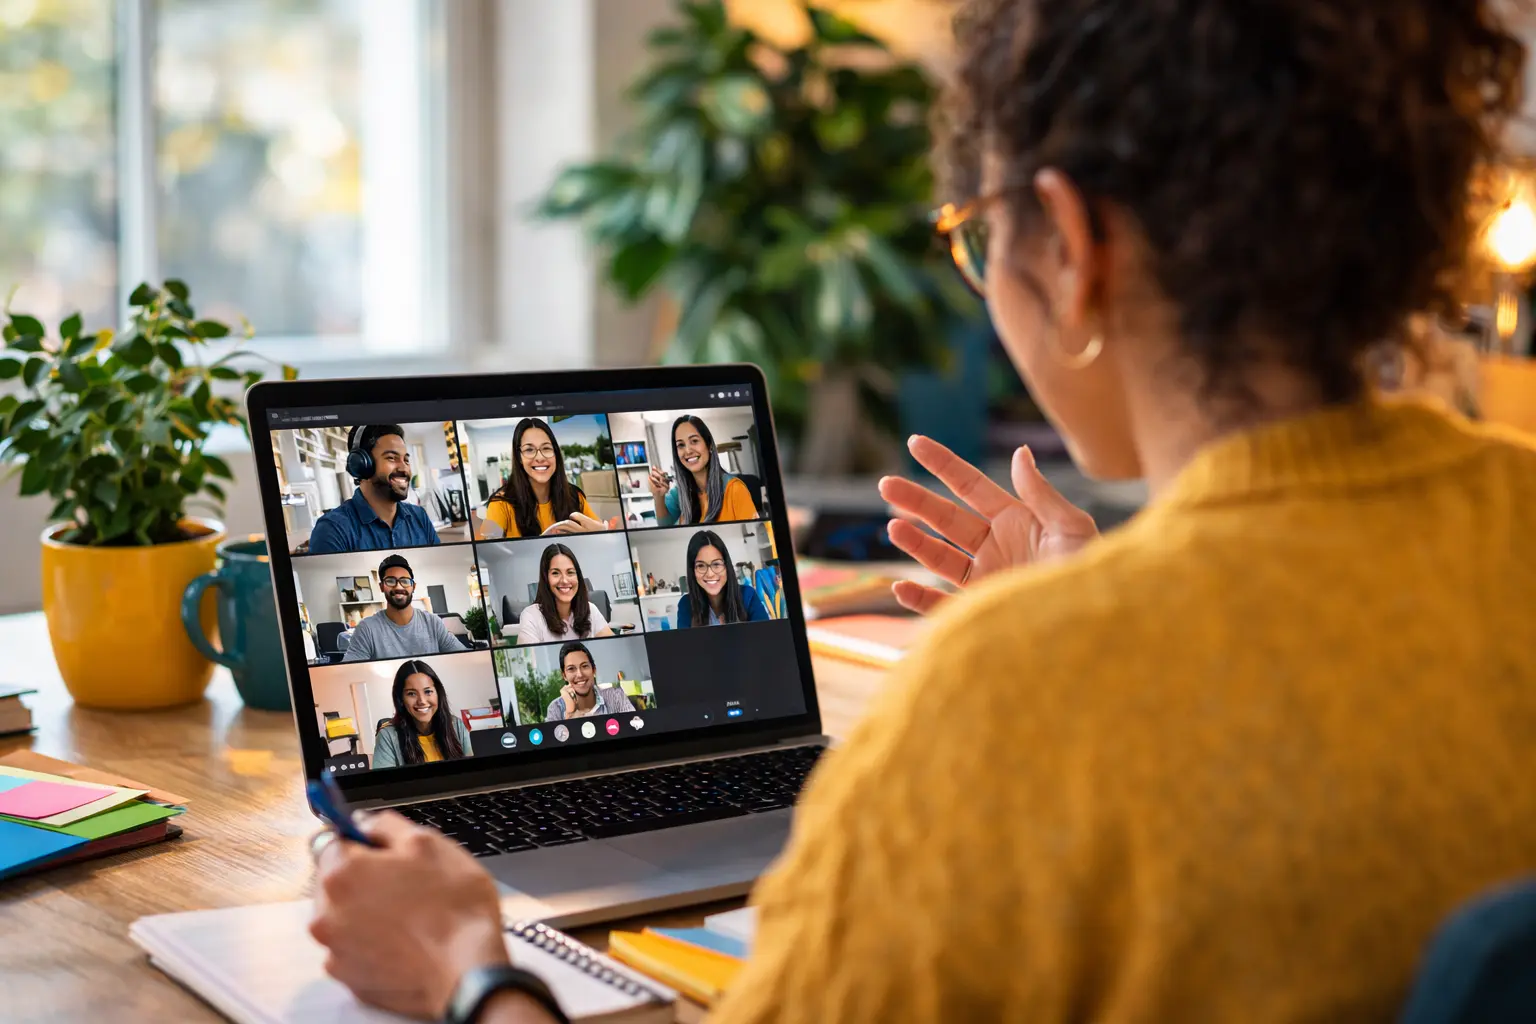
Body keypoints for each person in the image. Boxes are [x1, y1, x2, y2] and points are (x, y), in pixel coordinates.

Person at [310, 2, 1536, 1020]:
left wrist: (468, 971)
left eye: (977, 239)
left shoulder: (1001, 698)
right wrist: (1084, 620)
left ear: (1071, 244)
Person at [308, 424, 441, 554]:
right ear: (362, 465)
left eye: (406, 460)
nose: (404, 468)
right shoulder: (332, 530)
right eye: (391, 458)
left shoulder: (419, 517)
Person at [476, 419, 607, 539]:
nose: (540, 457)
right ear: (519, 458)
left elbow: (601, 534)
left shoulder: (574, 496)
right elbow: (486, 549)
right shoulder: (500, 504)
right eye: (529, 450)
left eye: (546, 448)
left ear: (556, 454)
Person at [342, 555, 468, 663]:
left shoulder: (433, 623)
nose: (398, 587)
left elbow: (464, 657)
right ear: (381, 587)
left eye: (405, 581)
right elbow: (348, 671)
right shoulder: (367, 629)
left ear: (413, 587)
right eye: (390, 581)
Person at [648, 415, 757, 527]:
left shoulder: (735, 489)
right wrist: (658, 496)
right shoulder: (678, 493)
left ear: (709, 445)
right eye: (681, 445)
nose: (688, 451)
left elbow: (754, 532)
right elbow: (665, 526)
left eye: (694, 441)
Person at [370, 660, 473, 769]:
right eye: (411, 694)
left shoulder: (456, 725)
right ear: (400, 699)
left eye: (428, 692)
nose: (422, 701)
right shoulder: (387, 736)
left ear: (438, 694)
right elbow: (385, 780)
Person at [514, 544, 615, 645]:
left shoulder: (590, 610)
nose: (564, 580)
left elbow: (613, 646)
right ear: (546, 579)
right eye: (555, 573)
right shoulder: (532, 616)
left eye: (570, 572)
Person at [675, 530, 771, 628]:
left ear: (726, 566)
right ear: (693, 571)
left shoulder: (748, 595)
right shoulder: (686, 604)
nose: (710, 574)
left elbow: (766, 634)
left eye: (716, 564)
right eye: (701, 566)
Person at [543, 642, 634, 721]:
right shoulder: (555, 708)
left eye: (584, 666)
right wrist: (570, 714)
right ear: (564, 675)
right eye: (571, 669)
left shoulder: (616, 696)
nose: (579, 674)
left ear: (593, 670)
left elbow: (635, 728)